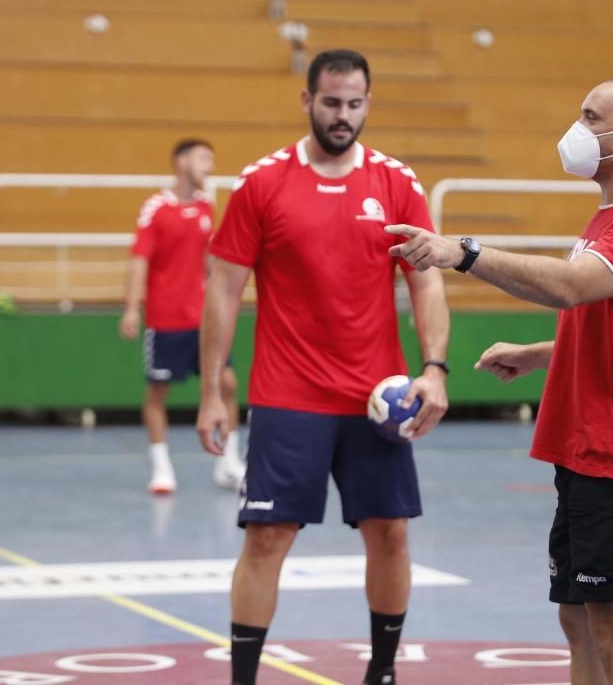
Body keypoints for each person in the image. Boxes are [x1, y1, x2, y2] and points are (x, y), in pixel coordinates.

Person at [388, 79, 613, 685]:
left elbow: (570, 286)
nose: (577, 129)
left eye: (592, 117)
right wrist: (539, 354)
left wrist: (465, 253)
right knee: (579, 618)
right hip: (590, 449)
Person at [196, 49, 450, 685]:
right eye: (332, 102)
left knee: (389, 533)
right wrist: (211, 393)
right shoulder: (263, 182)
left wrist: (435, 368)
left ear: (368, 102)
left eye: (355, 103)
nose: (343, 116)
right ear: (307, 101)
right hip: (289, 396)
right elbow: (223, 290)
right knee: (267, 538)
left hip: (379, 398)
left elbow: (427, 284)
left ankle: (383, 672)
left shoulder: (396, 183)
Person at [119, 138, 245, 493]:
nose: (211, 167)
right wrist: (132, 307)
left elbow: (211, 260)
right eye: (205, 158)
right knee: (158, 394)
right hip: (166, 320)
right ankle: (161, 468)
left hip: (203, 320)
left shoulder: (207, 206)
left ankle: (228, 463)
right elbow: (139, 259)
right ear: (182, 161)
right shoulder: (156, 208)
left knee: (228, 384)